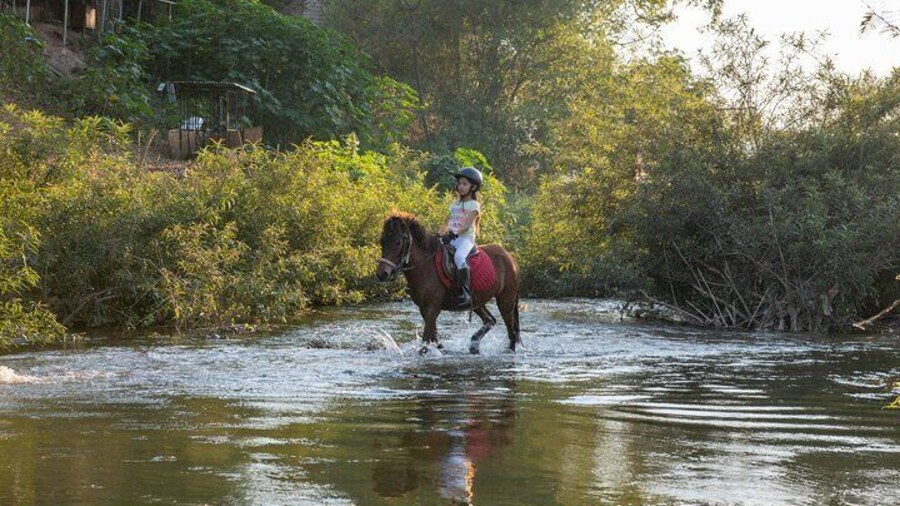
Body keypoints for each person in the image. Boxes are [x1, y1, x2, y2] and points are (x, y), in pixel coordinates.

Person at [439, 167, 483, 307]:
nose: (461, 187)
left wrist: (453, 234)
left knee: (459, 257)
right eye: (459, 184)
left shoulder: (474, 205)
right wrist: (439, 234)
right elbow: (446, 223)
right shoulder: (454, 204)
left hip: (466, 239)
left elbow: (466, 226)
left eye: (465, 184)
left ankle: (466, 292)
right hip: (453, 238)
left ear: (473, 186)